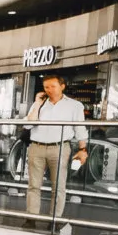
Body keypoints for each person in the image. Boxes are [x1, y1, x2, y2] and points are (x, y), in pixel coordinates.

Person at [22, 74, 91, 220]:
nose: (49, 90)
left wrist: (82, 149)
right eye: (46, 87)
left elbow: (80, 129)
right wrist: (37, 104)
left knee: (58, 187)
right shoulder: (39, 104)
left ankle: (55, 219)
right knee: (33, 185)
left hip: (59, 147)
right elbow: (27, 125)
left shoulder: (74, 105)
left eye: (53, 86)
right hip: (36, 147)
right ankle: (31, 218)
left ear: (62, 86)